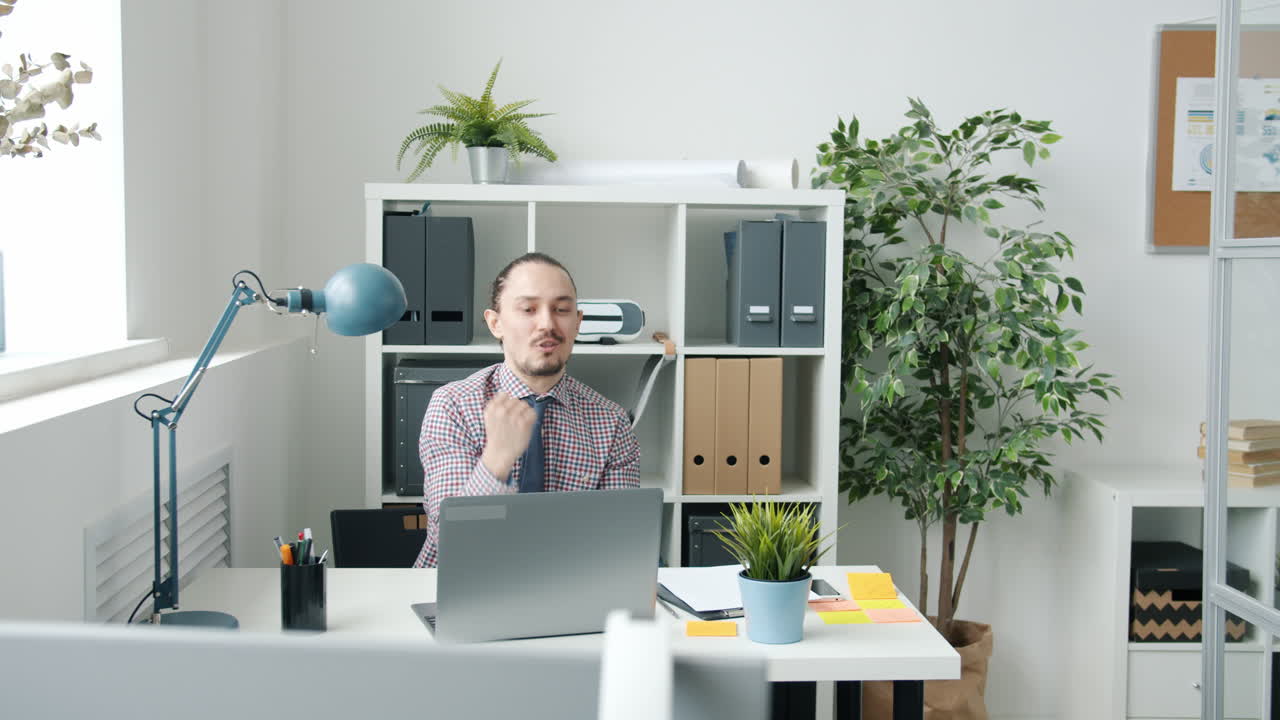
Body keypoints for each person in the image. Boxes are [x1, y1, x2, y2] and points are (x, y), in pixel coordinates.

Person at [413, 252, 641, 568]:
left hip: (566, 592)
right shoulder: (453, 405)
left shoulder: (611, 422)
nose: (547, 323)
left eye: (562, 310)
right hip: (460, 589)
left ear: (578, 323)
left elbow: (620, 544)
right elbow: (453, 545)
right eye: (528, 309)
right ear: (496, 323)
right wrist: (497, 459)